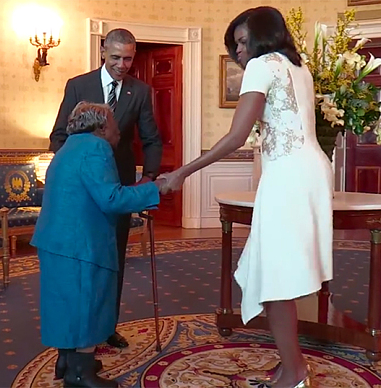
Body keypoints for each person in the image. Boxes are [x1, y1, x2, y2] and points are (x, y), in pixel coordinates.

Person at [159, 6, 333, 388]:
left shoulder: (261, 65)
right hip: (309, 171)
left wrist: (182, 173)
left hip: (288, 176)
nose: (238, 51)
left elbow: (237, 136)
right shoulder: (299, 68)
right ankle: (291, 367)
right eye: (234, 44)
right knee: (276, 272)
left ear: (262, 36)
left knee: (275, 276)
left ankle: (296, 373)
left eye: (241, 42)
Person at [32, 102, 166, 388]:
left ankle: (68, 361)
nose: (119, 130)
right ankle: (81, 375)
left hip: (56, 239)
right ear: (102, 126)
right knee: (87, 303)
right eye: (116, 123)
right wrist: (155, 189)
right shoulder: (96, 148)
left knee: (66, 303)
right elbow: (111, 199)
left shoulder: (68, 148)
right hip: (80, 243)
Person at [48, 28, 162, 351]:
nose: (122, 65)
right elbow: (58, 136)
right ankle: (74, 340)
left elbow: (152, 139)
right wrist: (75, 170)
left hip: (118, 186)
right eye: (115, 57)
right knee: (82, 261)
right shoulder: (78, 86)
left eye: (128, 58)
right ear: (103, 52)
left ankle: (107, 326)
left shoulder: (140, 91)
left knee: (114, 258)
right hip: (82, 192)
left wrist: (148, 177)